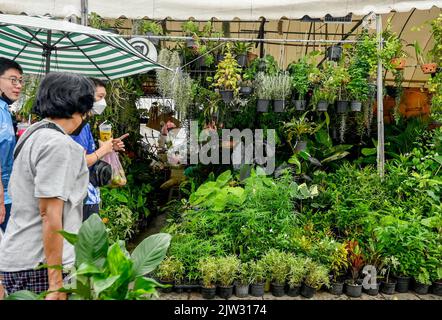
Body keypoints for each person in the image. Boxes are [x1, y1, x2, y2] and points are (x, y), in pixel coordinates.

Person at [0, 72, 94, 299]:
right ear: (76, 106)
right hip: (40, 266)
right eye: (87, 109)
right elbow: (50, 214)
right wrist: (56, 283)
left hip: (21, 258)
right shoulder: (58, 144)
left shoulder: (33, 134)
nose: (87, 116)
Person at [71, 78, 127, 221]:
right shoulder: (77, 126)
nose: (103, 102)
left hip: (87, 194)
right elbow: (81, 162)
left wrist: (108, 148)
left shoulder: (85, 125)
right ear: (85, 96)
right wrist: (104, 150)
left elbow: (89, 154)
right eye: (100, 97)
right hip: (81, 196)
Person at [0, 58, 23, 233]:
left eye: (20, 81)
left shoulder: (5, 110)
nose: (18, 85)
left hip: (9, 193)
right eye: (13, 80)